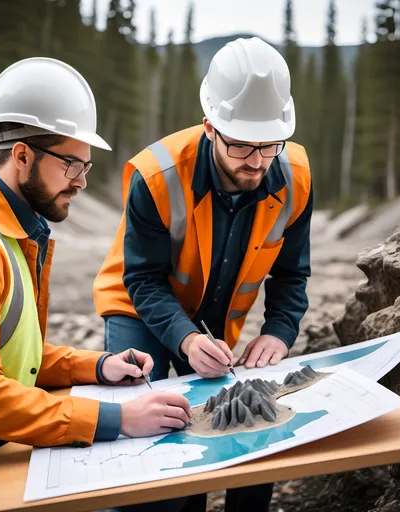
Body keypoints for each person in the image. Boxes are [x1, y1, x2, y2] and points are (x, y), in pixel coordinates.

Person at [0, 57, 190, 506]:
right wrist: (115, 419)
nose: (81, 182)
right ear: (22, 155)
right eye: (71, 166)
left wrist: (98, 366)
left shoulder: (11, 231)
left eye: (86, 167)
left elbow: (15, 355)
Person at [94, 37, 312, 512]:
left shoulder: (294, 176)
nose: (255, 161)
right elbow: (145, 279)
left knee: (237, 421)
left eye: (267, 146)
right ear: (210, 127)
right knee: (150, 431)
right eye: (240, 146)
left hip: (214, 313)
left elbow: (292, 276)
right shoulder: (156, 176)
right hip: (139, 304)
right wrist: (187, 341)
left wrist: (278, 331)